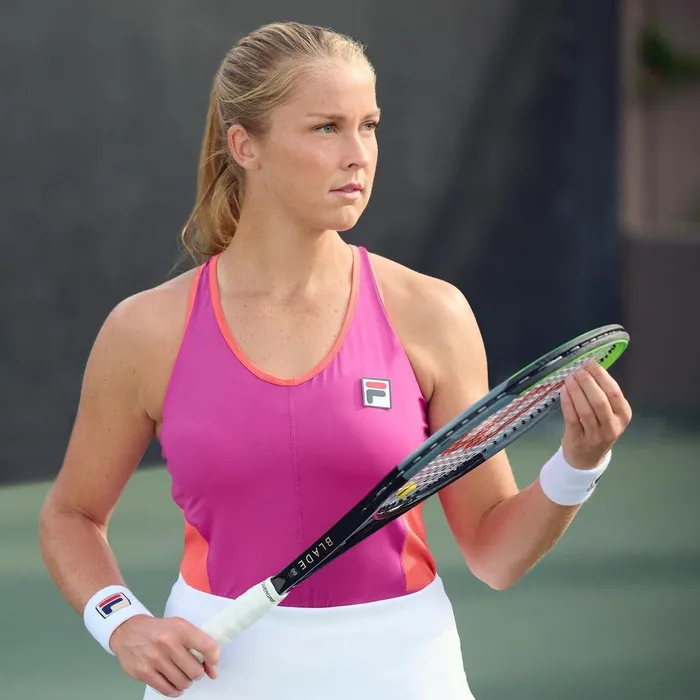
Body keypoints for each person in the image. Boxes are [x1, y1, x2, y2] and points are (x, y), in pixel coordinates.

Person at [38, 20, 632, 700]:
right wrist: (122, 622)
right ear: (245, 146)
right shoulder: (146, 330)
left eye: (369, 126)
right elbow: (71, 514)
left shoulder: (431, 314)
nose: (358, 155)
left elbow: (494, 554)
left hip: (404, 671)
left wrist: (578, 465)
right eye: (326, 128)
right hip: (216, 673)